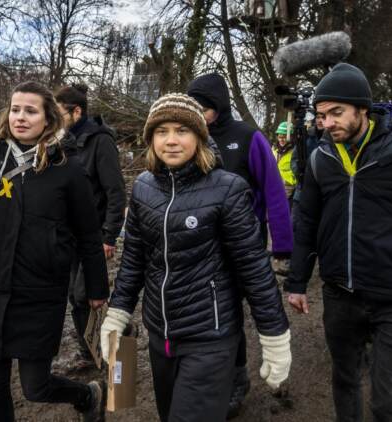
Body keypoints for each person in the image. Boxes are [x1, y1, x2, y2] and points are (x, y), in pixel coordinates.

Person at [100, 93, 291, 422]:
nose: (171, 141)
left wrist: (274, 337)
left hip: (210, 339)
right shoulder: (144, 188)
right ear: (150, 139)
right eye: (161, 132)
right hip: (160, 337)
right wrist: (117, 315)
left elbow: (255, 270)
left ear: (200, 137)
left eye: (181, 131)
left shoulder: (227, 189)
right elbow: (133, 259)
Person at [0, 81, 109, 422]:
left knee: (35, 387)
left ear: (49, 118)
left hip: (38, 293)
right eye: (15, 109)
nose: (20, 117)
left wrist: (97, 289)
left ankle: (88, 395)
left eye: (30, 110)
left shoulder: (68, 169)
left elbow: (88, 234)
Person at [285, 63, 392, 422]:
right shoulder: (321, 158)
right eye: (321, 115)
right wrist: (297, 282)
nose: (327, 123)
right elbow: (307, 221)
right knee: (345, 379)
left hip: (391, 296)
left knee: (387, 402)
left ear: (363, 110)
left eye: (336, 113)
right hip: (339, 294)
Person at [187, 73, 293, 417]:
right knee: (208, 312)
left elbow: (274, 191)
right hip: (200, 245)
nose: (199, 113)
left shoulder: (248, 137)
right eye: (194, 107)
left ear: (219, 105)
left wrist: (282, 245)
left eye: (205, 107)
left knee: (230, 311)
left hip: (242, 243)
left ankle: (237, 378)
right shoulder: (191, 138)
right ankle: (213, 374)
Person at [54, 83, 126, 365]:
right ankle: (93, 349)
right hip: (69, 235)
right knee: (74, 295)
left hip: (94, 235)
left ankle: (108, 348)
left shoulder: (100, 141)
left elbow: (115, 191)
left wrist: (110, 236)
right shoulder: (63, 142)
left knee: (87, 295)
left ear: (76, 111)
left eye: (59, 113)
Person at [273, 121, 297, 205]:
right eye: (280, 137)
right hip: (275, 189)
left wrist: (285, 181)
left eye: (284, 137)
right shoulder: (274, 151)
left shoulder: (295, 153)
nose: (281, 140)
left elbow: (296, 173)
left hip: (289, 191)